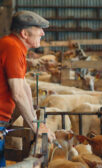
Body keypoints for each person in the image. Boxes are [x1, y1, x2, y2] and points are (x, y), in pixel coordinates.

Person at [0, 10, 55, 166]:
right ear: (24, 33)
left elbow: (24, 88)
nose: (43, 33)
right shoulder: (12, 47)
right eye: (38, 29)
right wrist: (36, 126)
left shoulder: (15, 47)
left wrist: (37, 124)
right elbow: (17, 93)